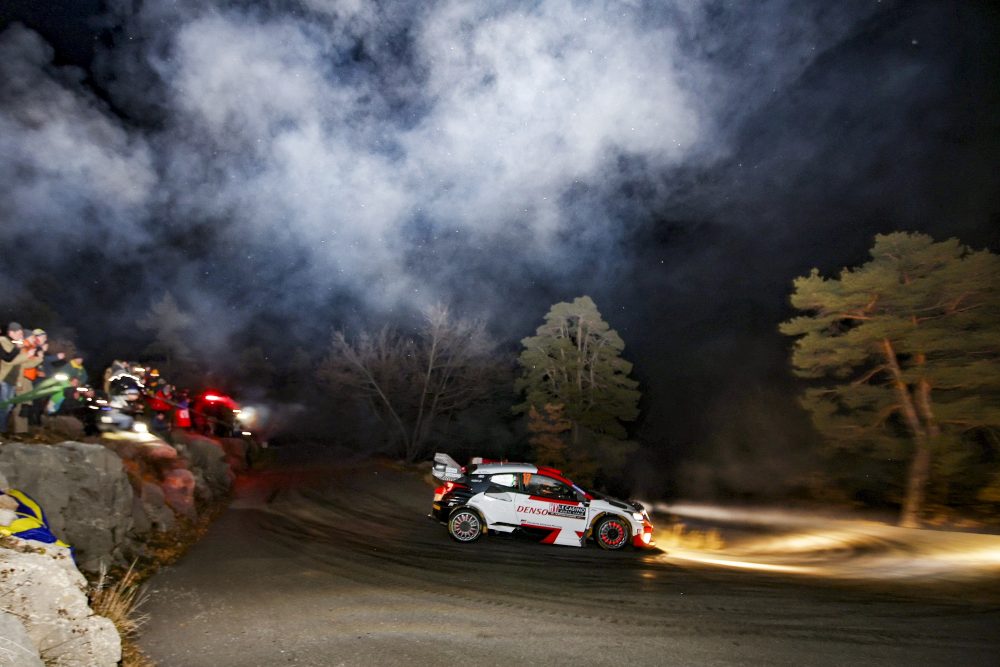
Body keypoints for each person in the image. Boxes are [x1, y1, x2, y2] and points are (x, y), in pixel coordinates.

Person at [0, 323, 31, 434]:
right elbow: (8, 359)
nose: (21, 335)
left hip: (12, 381)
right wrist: (19, 349)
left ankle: (3, 430)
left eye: (22, 333)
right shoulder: (3, 340)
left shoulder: (15, 344)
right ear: (11, 332)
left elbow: (22, 364)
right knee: (3, 407)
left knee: (8, 407)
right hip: (4, 379)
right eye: (19, 333)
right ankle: (2, 431)